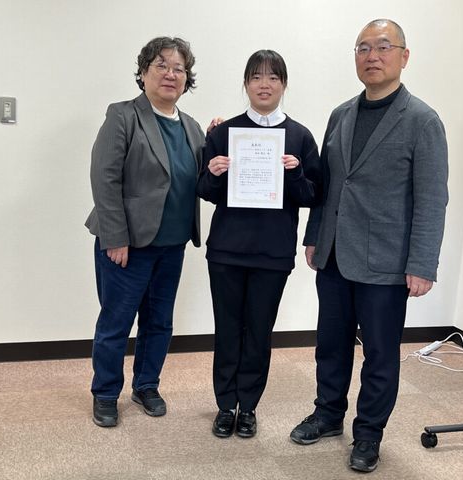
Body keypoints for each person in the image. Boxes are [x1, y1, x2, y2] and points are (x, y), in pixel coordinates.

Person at [289, 19, 448, 473]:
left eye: (382, 47)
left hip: (386, 261)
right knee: (330, 344)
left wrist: (422, 263)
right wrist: (314, 237)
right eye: (363, 48)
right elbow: (327, 185)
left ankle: (368, 434)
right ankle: (327, 415)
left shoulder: (422, 120)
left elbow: (432, 198)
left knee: (379, 353)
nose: (372, 56)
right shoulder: (341, 114)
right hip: (335, 255)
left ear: (404, 56)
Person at [197, 50, 322, 439]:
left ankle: (248, 406)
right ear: (246, 84)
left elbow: (313, 194)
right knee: (227, 329)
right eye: (256, 77)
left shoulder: (300, 136)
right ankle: (225, 405)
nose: (264, 85)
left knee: (259, 331)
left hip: (273, 252)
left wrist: (295, 173)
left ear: (284, 84)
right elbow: (204, 190)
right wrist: (214, 173)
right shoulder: (224, 133)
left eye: (272, 77)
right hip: (227, 250)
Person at [85, 36, 204, 427]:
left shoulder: (192, 127)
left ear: (187, 78)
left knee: (160, 322)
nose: (170, 74)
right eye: (161, 65)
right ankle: (105, 393)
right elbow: (104, 178)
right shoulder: (123, 116)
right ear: (143, 73)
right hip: (128, 244)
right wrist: (115, 237)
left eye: (179, 68)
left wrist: (222, 137)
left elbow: (204, 176)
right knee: (116, 322)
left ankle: (146, 385)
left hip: (172, 244)